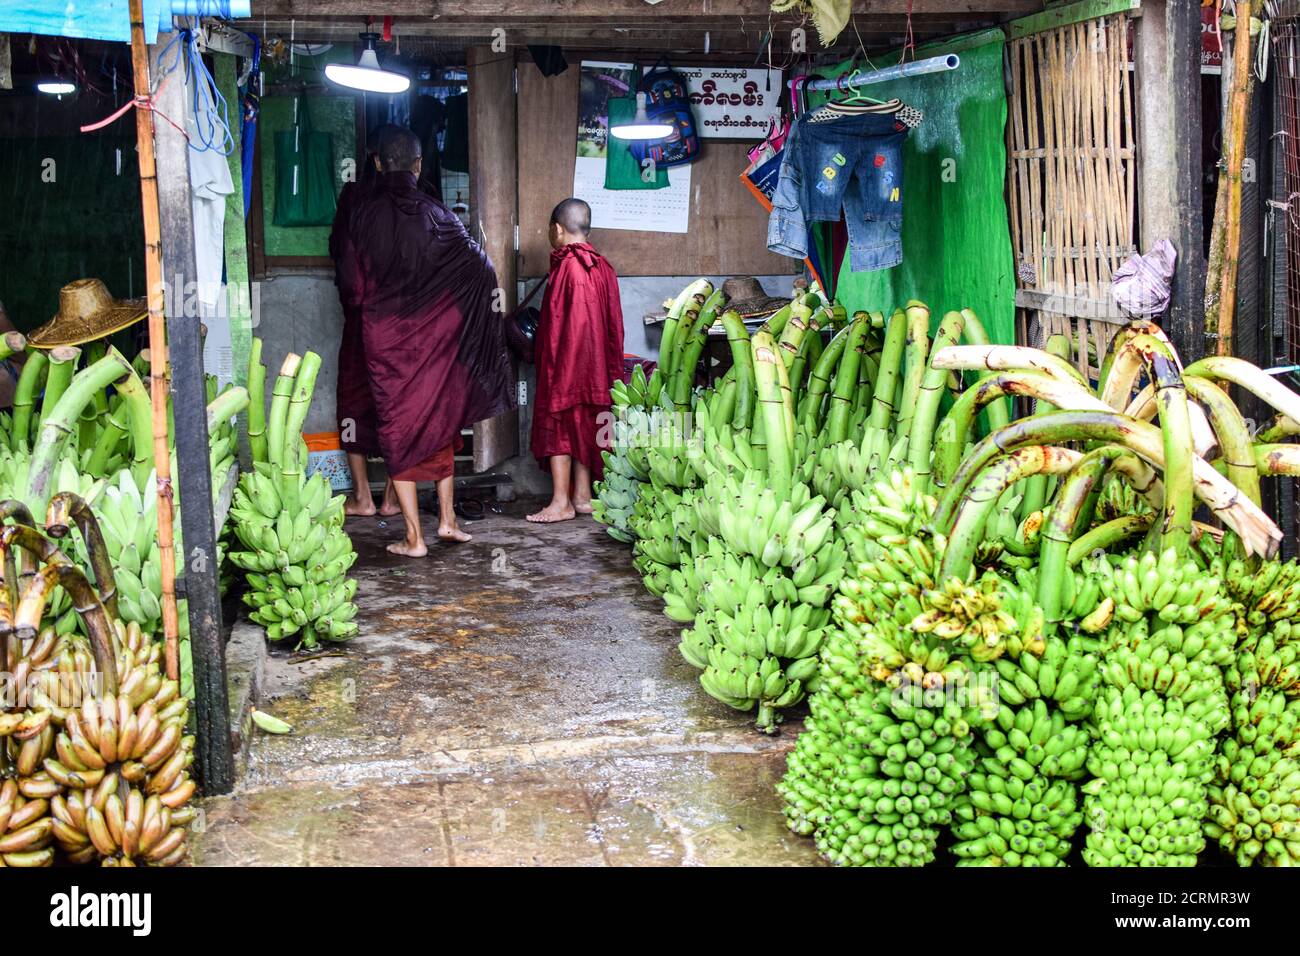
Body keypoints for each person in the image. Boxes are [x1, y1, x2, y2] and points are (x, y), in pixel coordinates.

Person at [336, 127, 515, 556]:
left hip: (385, 341)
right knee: (441, 424)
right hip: (437, 341)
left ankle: (415, 537)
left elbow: (352, 287)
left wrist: (376, 313)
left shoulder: (360, 215)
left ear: (378, 163)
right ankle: (448, 521)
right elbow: (483, 270)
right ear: (418, 165)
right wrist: (457, 318)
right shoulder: (439, 215)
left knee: (398, 430)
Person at [526, 198, 624, 524]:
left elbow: (562, 327)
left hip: (568, 364)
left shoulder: (567, 267)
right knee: (585, 424)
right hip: (597, 367)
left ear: (557, 229)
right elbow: (614, 325)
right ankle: (582, 497)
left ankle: (560, 502)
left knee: (560, 427)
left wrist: (558, 370)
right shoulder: (604, 267)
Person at [331, 125, 400, 518]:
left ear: (373, 160)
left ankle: (363, 496)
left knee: (355, 402)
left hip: (363, 320)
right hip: (408, 326)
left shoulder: (355, 198)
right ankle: (392, 497)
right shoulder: (421, 201)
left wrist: (356, 303)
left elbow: (341, 255)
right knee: (399, 403)